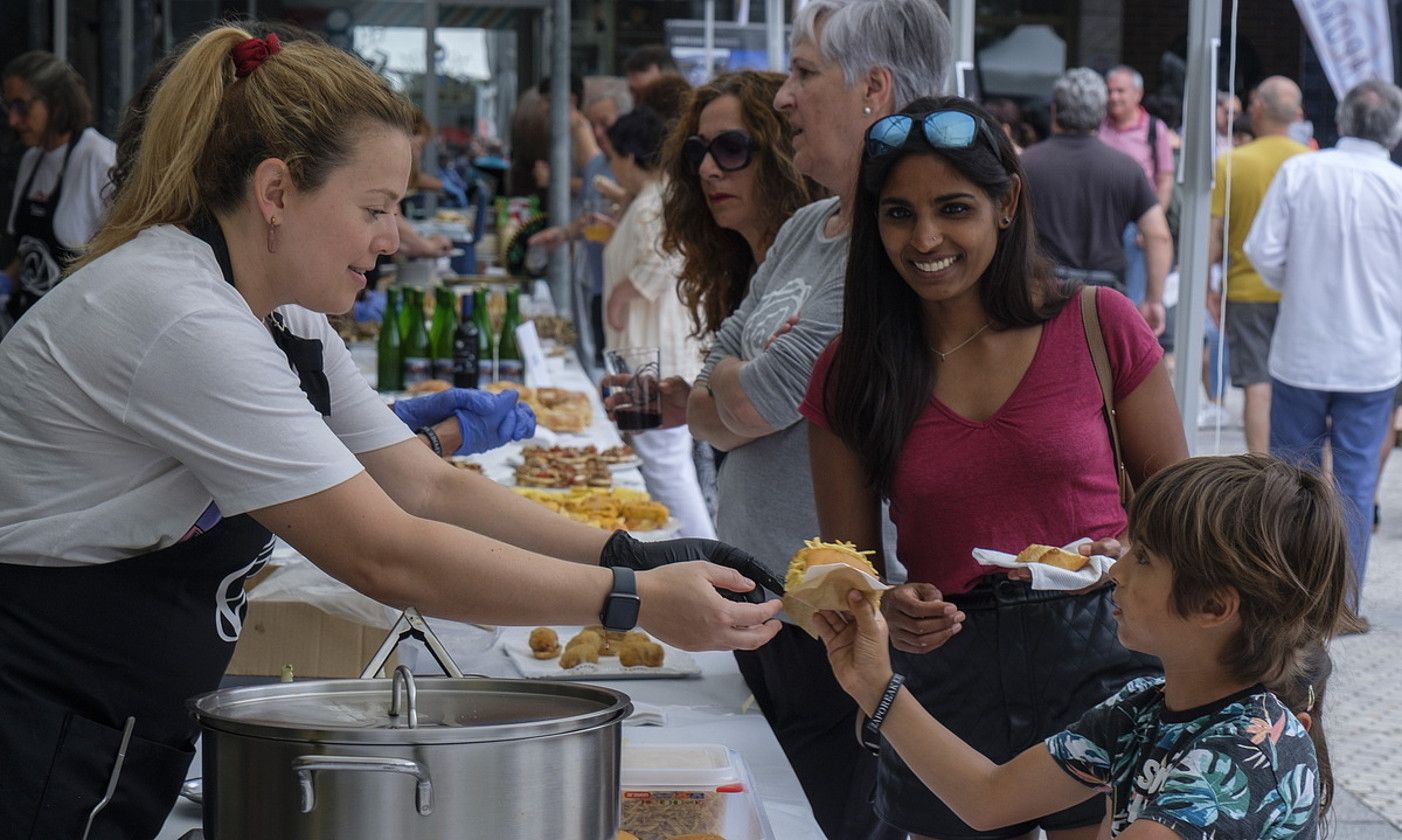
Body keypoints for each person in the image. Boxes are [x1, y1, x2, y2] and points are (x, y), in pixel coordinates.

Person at [0, 28, 784, 836]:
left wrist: (637, 555)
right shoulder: (180, 314)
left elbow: (422, 483)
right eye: (375, 208)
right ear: (276, 192)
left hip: (117, 720)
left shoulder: (280, 312)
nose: (391, 237)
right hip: (43, 720)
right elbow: (385, 553)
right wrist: (630, 602)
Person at [802, 95, 1184, 840]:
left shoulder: (1100, 324)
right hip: (947, 679)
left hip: (1102, 661)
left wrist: (1131, 552)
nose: (926, 238)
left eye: (954, 208)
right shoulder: (851, 373)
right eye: (898, 213)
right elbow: (847, 576)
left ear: (1006, 202)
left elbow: (1185, 517)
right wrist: (891, 606)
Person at [687, 1, 951, 835]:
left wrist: (732, 390)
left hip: (843, 624)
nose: (785, 99)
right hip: (767, 602)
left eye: (803, 73)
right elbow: (712, 390)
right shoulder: (808, 225)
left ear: (873, 88)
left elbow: (763, 398)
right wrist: (730, 390)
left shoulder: (892, 245)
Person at [815, 454, 1357, 839]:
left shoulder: (1246, 756)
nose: (1115, 571)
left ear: (1213, 608)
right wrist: (874, 684)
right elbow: (990, 797)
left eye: (1142, 557)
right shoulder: (1142, 708)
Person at [1242, 79, 1402, 617]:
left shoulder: (1302, 171)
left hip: (1303, 348)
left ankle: (1287, 593)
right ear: (1395, 130)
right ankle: (1343, 601)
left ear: (1340, 117)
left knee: (1292, 479)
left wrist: (1300, 281)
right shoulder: (1397, 186)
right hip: (1372, 356)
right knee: (1355, 481)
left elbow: (1262, 251)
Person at [600, 107, 714, 539]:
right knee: (662, 461)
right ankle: (691, 553)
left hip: (652, 354)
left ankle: (707, 556)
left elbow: (665, 255)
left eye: (613, 156)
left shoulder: (654, 203)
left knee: (664, 462)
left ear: (629, 157)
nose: (612, 166)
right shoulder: (653, 199)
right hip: (649, 350)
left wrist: (624, 292)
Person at [1021, 68, 1169, 334]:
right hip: (1106, 299)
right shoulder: (1127, 168)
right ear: (1101, 115)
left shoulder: (1026, 165)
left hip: (1041, 295)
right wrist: (1154, 300)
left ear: (1054, 111)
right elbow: (1158, 235)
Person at [1209, 76, 1307, 454]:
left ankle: (1263, 475)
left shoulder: (1230, 162)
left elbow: (1213, 235)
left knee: (1257, 383)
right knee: (1300, 385)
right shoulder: (1310, 163)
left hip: (1246, 288)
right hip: (1298, 291)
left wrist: (1206, 286)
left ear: (1257, 108)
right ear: (1296, 115)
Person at [3, 50, 115, 334]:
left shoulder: (100, 160)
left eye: (22, 107)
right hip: (27, 326)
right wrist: (7, 279)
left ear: (55, 101)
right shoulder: (32, 160)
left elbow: (119, 262)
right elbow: (32, 252)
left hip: (75, 332)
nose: (13, 121)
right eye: (8, 108)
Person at [1098, 65, 1174, 309]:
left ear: (1137, 94)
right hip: (1102, 220)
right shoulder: (1098, 125)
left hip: (1137, 224)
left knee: (1134, 295)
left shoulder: (1154, 129)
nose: (1113, 97)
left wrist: (1153, 221)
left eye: (1120, 91)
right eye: (1109, 91)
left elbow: (1165, 178)